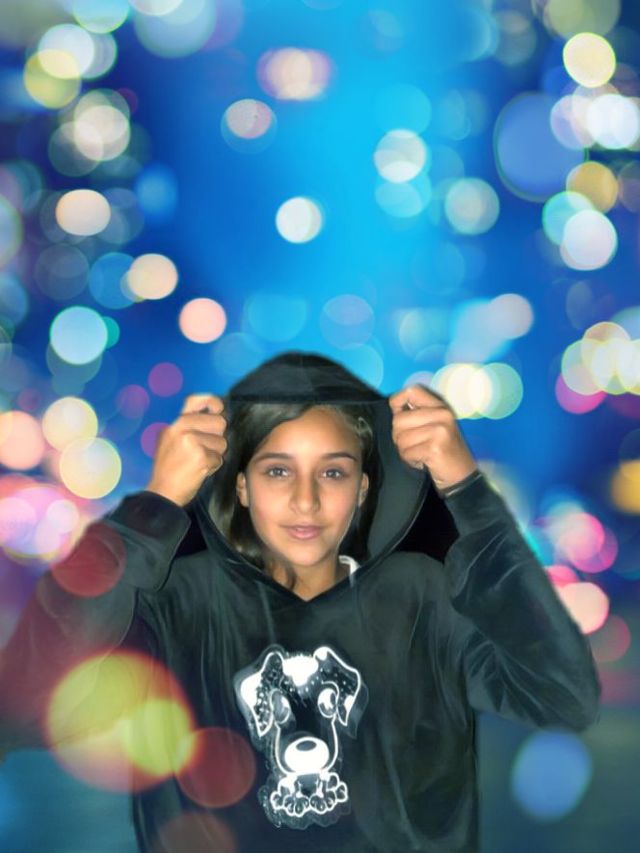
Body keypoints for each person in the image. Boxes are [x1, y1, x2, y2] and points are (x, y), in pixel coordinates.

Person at [0, 350, 601, 852]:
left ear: (363, 489)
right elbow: (25, 705)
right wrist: (151, 509)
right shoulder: (178, 604)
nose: (306, 501)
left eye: (333, 473)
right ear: (240, 485)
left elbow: (560, 695)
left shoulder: (420, 598)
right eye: (278, 471)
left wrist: (469, 494)